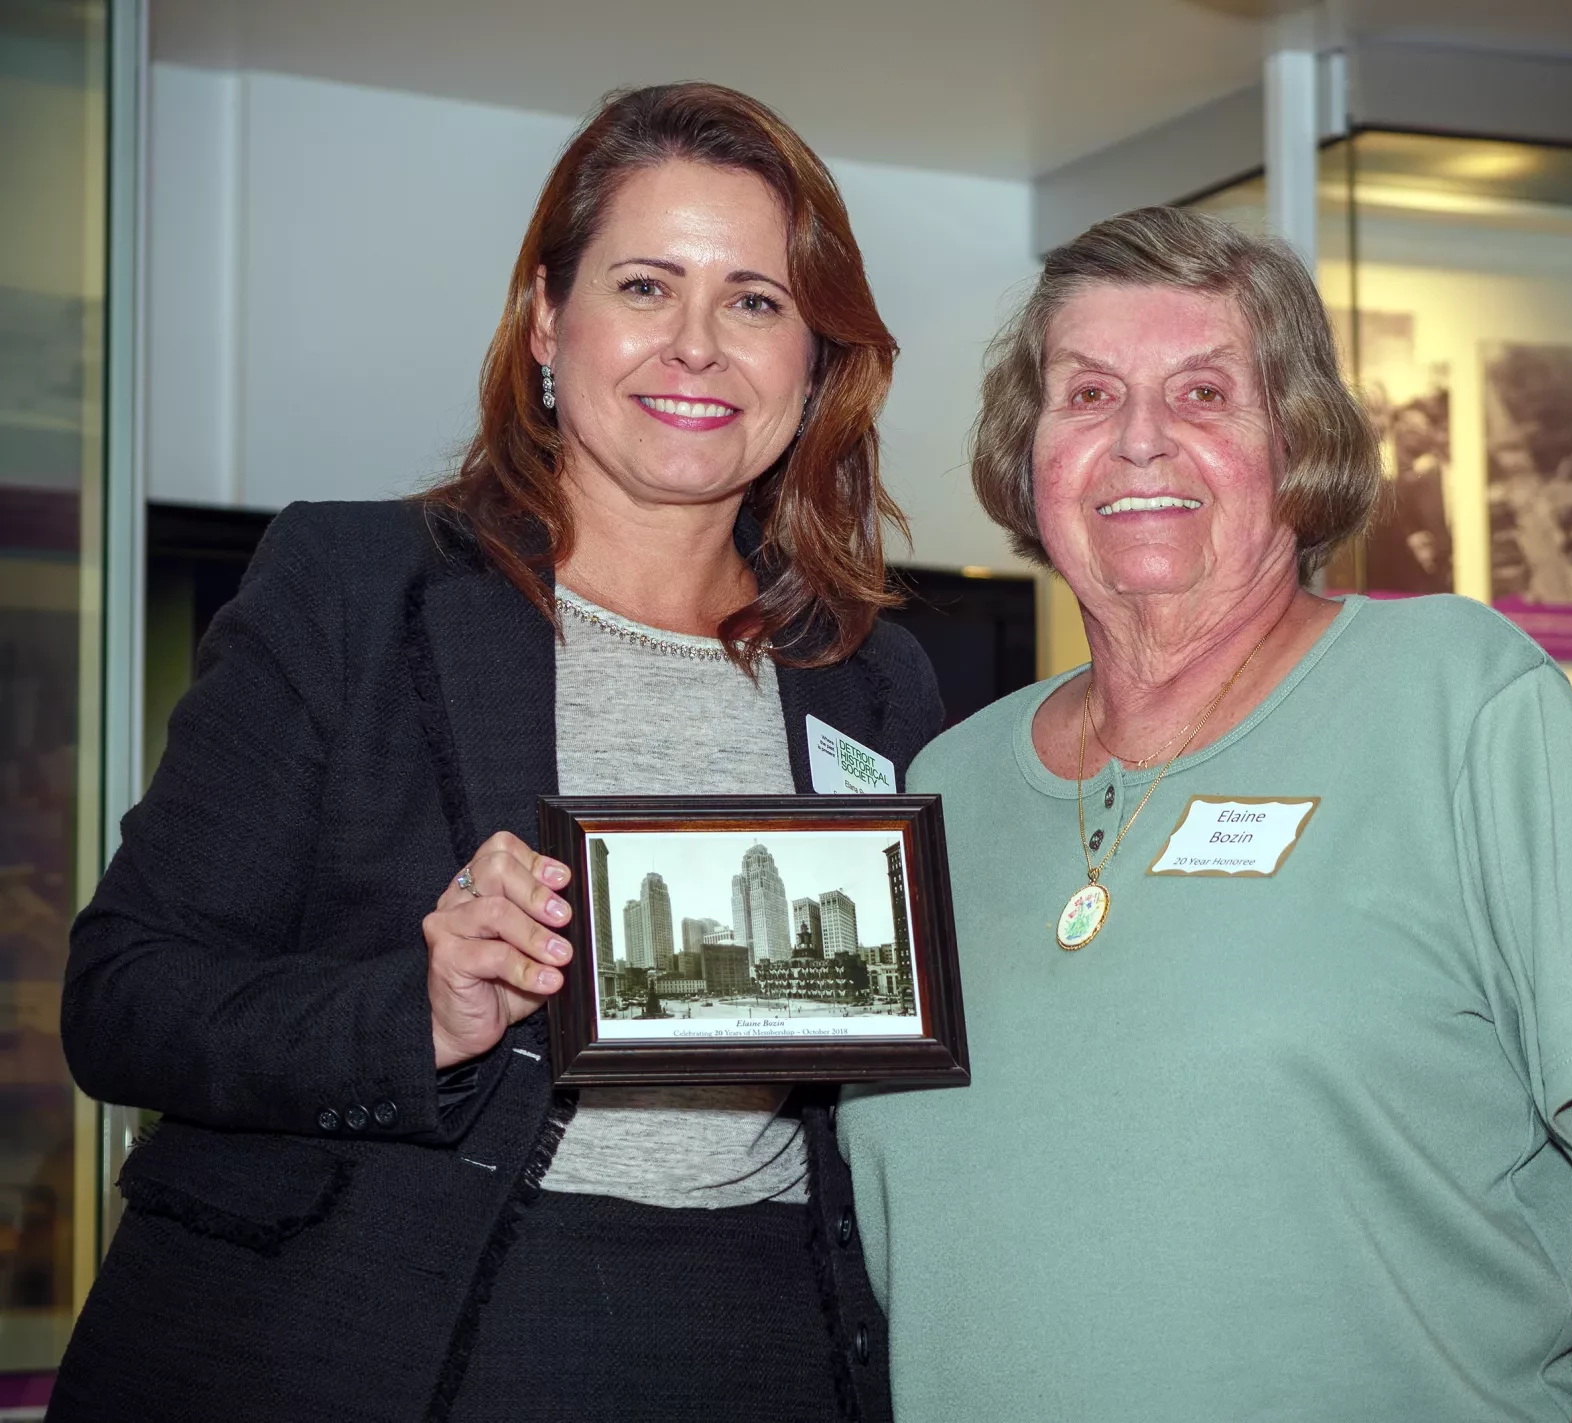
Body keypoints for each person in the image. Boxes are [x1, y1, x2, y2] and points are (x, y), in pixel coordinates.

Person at [54, 83, 938, 1423]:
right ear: (545, 320)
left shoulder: (876, 673)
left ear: (815, 358)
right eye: (646, 285)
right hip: (369, 1325)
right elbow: (122, 996)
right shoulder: (353, 584)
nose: (697, 347)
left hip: (762, 1335)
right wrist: (414, 1007)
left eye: (756, 300)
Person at [836, 206, 1572, 1422]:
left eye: (1206, 393)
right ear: (1030, 449)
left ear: (1298, 441)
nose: (1142, 441)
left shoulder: (1455, 698)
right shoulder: (939, 792)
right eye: (1090, 394)